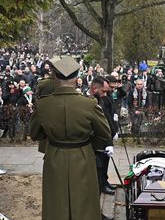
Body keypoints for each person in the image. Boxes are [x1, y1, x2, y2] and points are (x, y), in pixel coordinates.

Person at [30, 56, 112, 220]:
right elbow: (104, 133)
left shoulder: (43, 104)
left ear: (56, 76)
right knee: (84, 203)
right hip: (83, 155)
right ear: (76, 78)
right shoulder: (88, 104)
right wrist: (88, 144)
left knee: (56, 202)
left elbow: (35, 134)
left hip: (54, 157)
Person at [90, 76, 118, 195]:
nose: (105, 94)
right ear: (95, 89)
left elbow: (107, 120)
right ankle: (100, 186)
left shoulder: (102, 100)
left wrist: (113, 132)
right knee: (97, 168)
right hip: (93, 141)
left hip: (103, 140)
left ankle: (103, 183)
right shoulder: (88, 101)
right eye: (103, 91)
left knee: (103, 165)